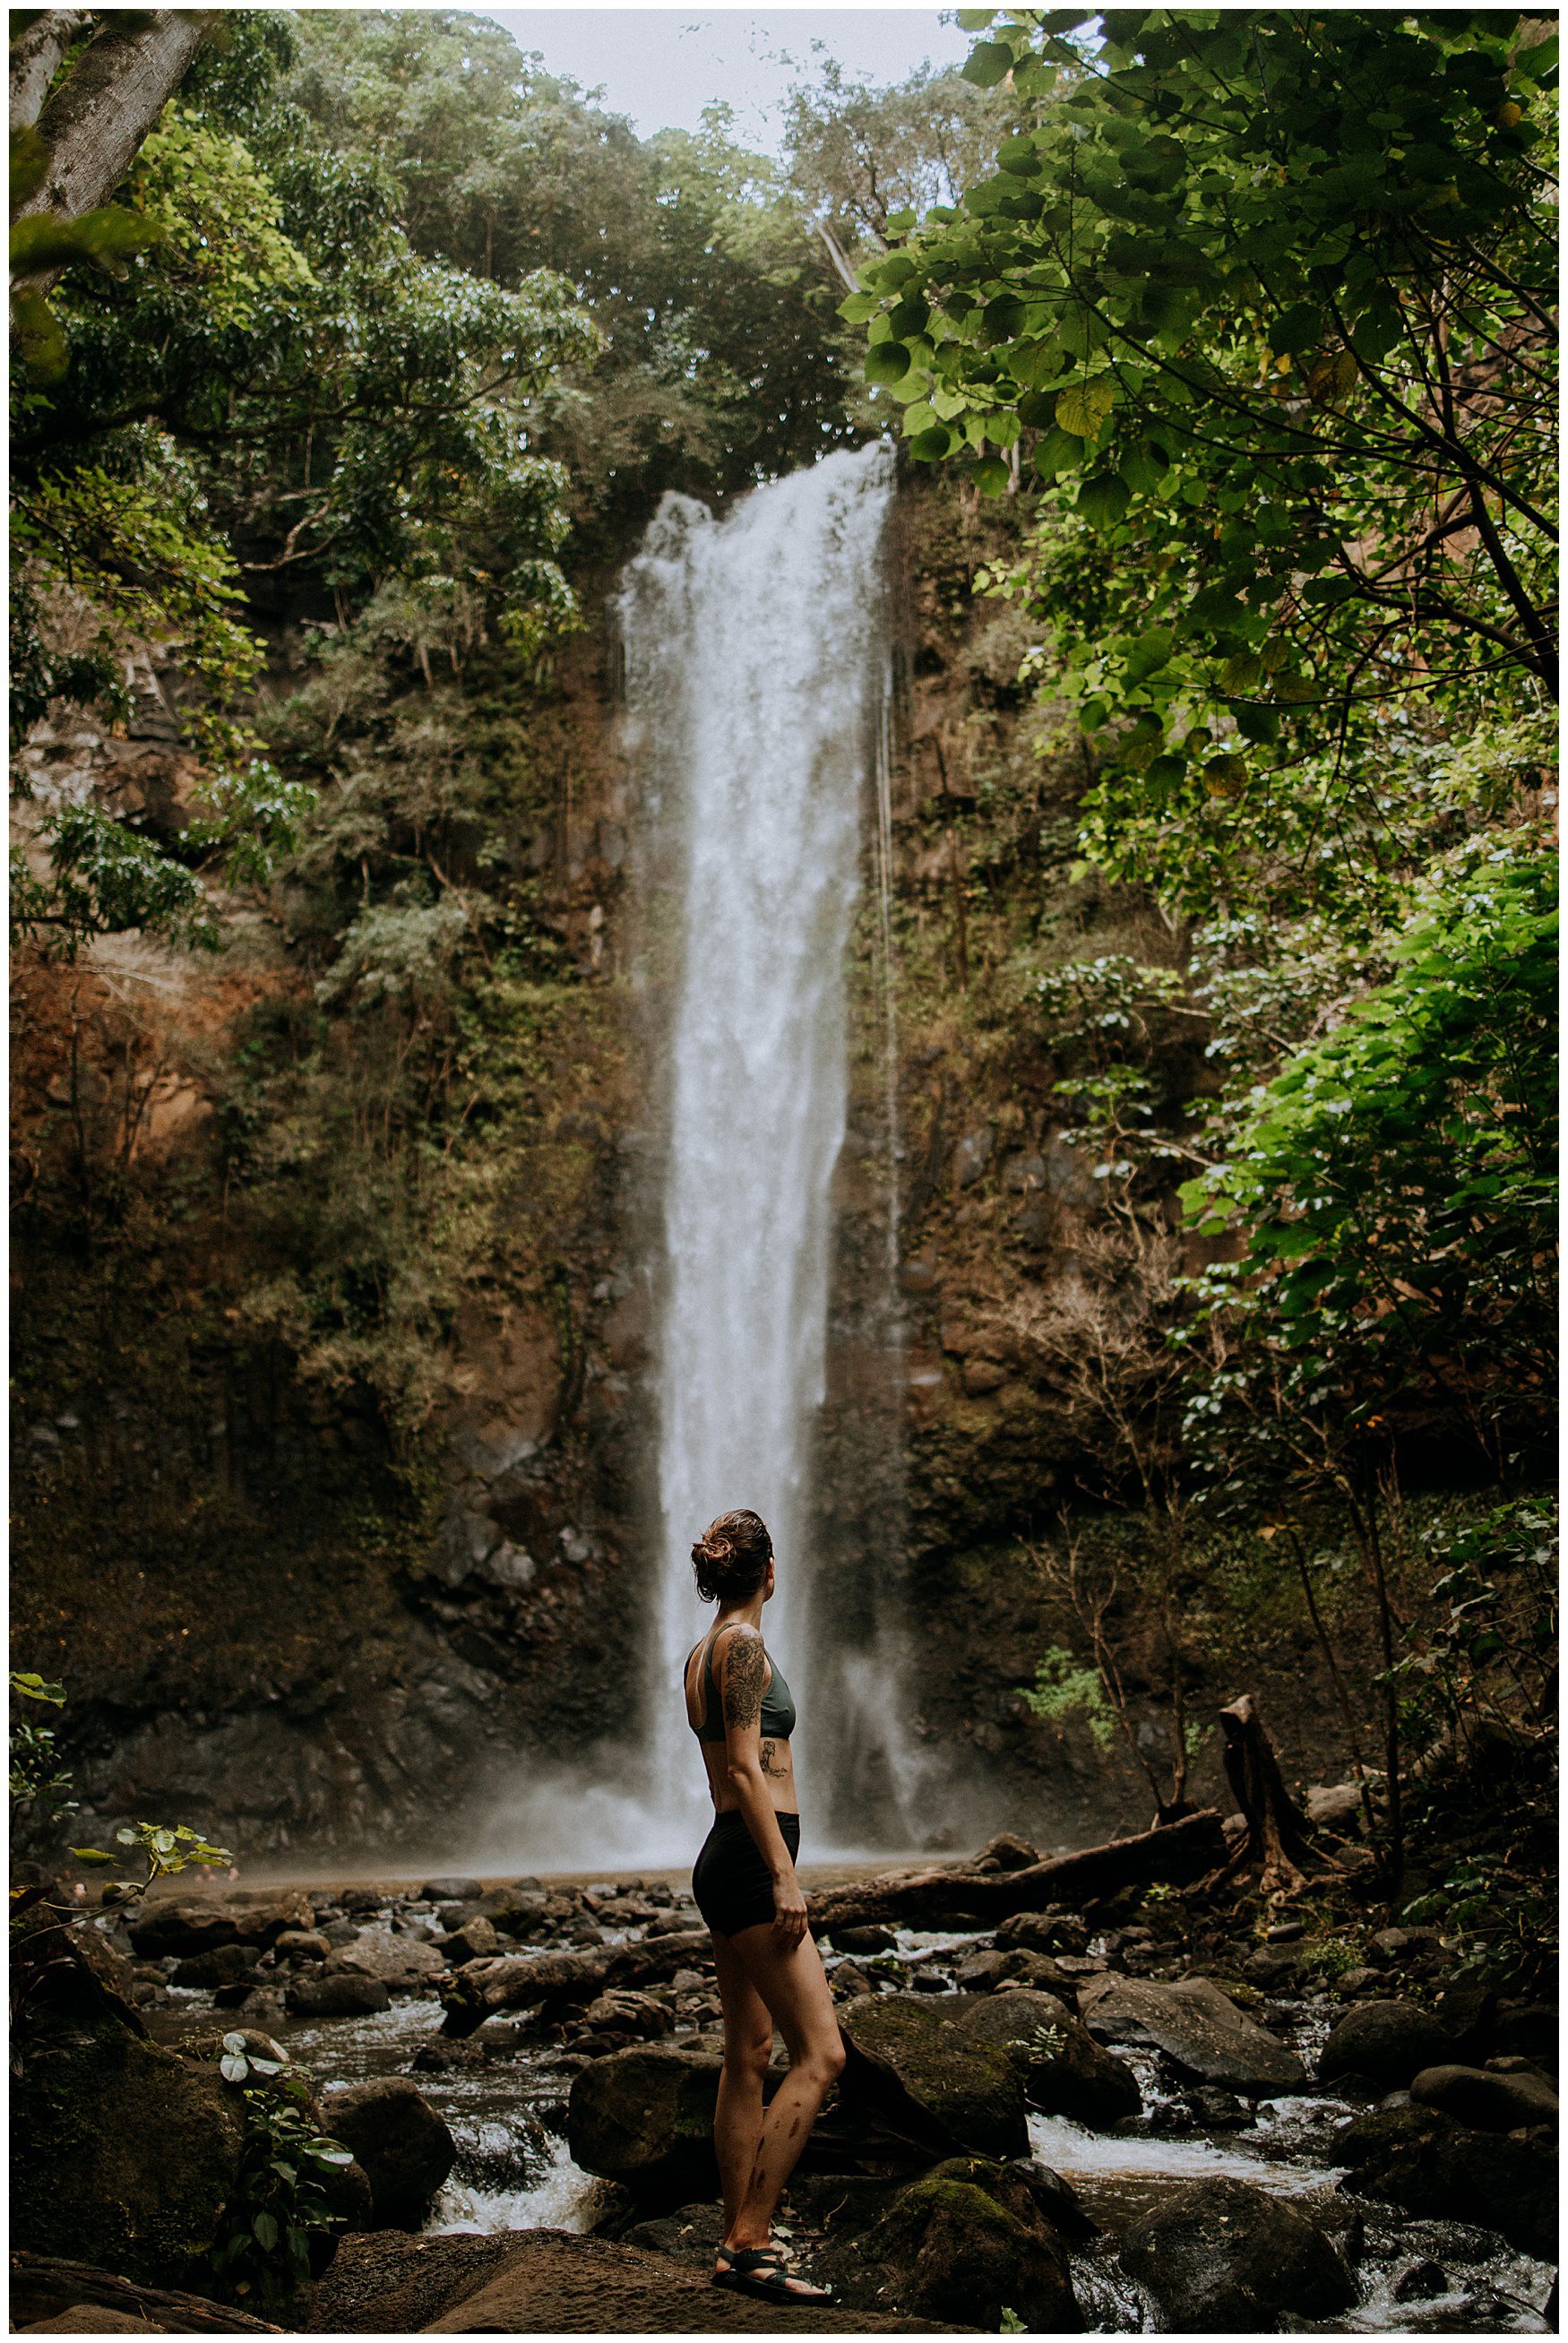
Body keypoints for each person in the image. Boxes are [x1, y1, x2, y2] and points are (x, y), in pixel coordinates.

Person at [683, 1507, 844, 2305]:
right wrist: (784, 1873)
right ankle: (752, 2238)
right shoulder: (744, 1647)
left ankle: (733, 2235)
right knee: (822, 2053)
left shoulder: (699, 1652)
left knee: (747, 2052)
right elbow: (746, 1771)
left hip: (723, 1855)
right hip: (751, 1860)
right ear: (769, 1572)